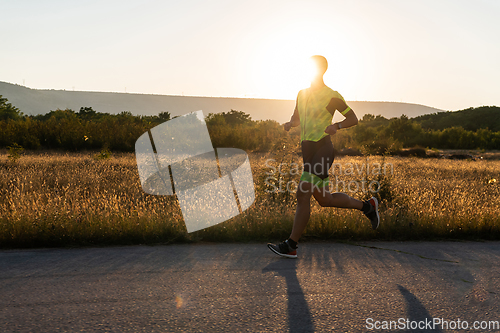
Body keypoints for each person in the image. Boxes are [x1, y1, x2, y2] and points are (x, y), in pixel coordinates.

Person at [267, 55, 380, 259]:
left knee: (302, 194)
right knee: (325, 199)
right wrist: (290, 124)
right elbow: (298, 117)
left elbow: (353, 118)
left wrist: (336, 126)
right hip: (308, 150)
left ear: (322, 70)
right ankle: (368, 206)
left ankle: (291, 245)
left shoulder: (331, 95)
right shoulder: (301, 94)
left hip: (323, 148)